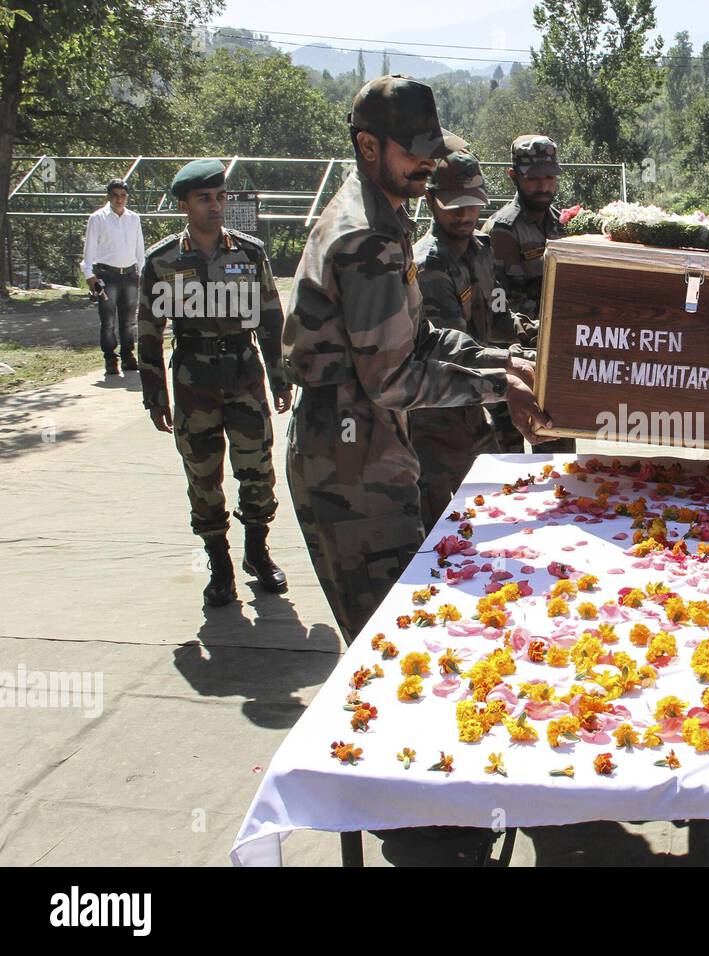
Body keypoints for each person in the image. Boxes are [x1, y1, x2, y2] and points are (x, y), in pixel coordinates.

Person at [281, 75, 549, 643]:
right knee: (394, 644)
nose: (427, 165)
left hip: (370, 446)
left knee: (412, 631)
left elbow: (418, 337)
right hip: (351, 463)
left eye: (432, 151)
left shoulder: (384, 217)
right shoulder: (367, 238)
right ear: (368, 145)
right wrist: (498, 387)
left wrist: (502, 364)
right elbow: (393, 379)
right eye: (414, 153)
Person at [137, 159, 291, 606]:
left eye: (220, 196)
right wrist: (155, 394)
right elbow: (148, 331)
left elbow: (269, 316)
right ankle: (219, 564)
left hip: (244, 373)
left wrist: (280, 377)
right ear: (184, 204)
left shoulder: (248, 252)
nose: (215, 205)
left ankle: (257, 553)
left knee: (257, 470)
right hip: (192, 379)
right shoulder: (163, 261)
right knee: (203, 476)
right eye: (204, 198)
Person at [409, 149, 535, 528]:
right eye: (454, 207)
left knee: (495, 508)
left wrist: (542, 339)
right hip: (435, 417)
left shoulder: (480, 252)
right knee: (438, 531)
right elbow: (454, 349)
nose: (465, 216)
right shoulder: (428, 266)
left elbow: (497, 319)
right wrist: (516, 363)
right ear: (431, 200)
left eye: (472, 206)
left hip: (475, 407)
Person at [483, 134, 573, 454]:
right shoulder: (501, 230)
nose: (543, 185)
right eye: (533, 178)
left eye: (549, 177)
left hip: (550, 356)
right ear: (514, 176)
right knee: (508, 455)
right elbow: (498, 307)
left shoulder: (560, 225)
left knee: (558, 450)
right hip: (510, 358)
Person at [82, 178, 146, 376]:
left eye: (123, 196)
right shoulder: (98, 218)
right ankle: (110, 359)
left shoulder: (134, 218)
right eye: (116, 195)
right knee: (108, 320)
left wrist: (141, 273)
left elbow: (139, 248)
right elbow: (89, 248)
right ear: (109, 196)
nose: (120, 199)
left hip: (129, 274)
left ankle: (128, 356)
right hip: (106, 275)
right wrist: (89, 275)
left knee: (129, 321)